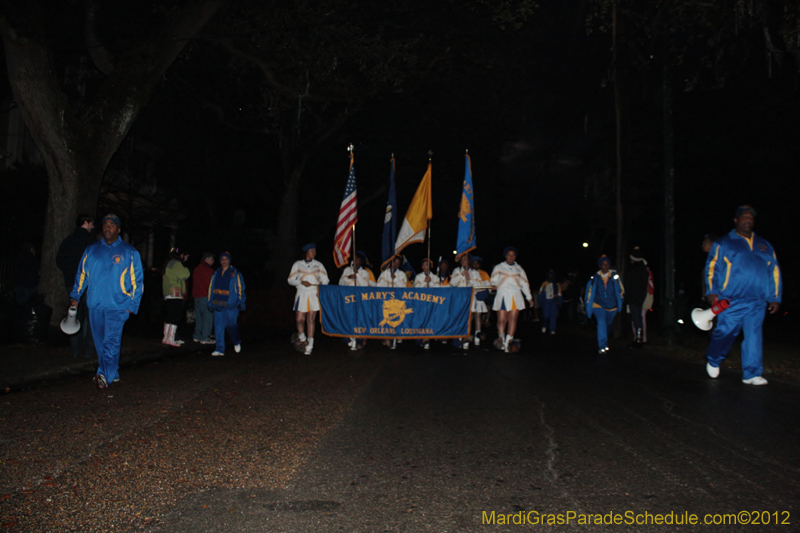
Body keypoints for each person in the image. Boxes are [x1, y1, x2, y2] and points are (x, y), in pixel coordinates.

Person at [704, 205, 781, 385]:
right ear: (736, 220)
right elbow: (712, 268)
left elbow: (774, 272)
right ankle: (714, 359)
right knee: (726, 331)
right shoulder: (724, 243)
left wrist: (775, 297)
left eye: (751, 218)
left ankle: (751, 373)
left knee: (754, 335)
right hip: (731, 299)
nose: (748, 220)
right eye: (744, 217)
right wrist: (712, 292)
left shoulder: (765, 245)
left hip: (757, 300)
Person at [70, 214, 143, 389]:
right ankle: (113, 371)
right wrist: (75, 297)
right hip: (95, 305)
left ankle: (104, 376)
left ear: (118, 229)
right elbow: (82, 275)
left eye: (112, 225)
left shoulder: (129, 252)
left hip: (118, 306)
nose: (107, 227)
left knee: (111, 342)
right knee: (101, 343)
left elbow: (137, 282)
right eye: (105, 225)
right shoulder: (92, 250)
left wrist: (132, 306)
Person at [56, 214, 96, 358]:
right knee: (90, 318)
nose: (93, 226)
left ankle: (75, 350)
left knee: (74, 316)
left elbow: (59, 260)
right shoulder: (92, 243)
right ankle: (88, 350)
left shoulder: (68, 241)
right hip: (89, 286)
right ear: (86, 222)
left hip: (71, 284)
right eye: (91, 223)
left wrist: (69, 273)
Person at [288, 244, 329, 355]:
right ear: (306, 252)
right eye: (312, 251)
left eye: (315, 251)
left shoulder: (318, 265)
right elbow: (290, 280)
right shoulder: (298, 264)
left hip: (313, 294)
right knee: (299, 319)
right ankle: (302, 337)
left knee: (311, 319)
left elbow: (326, 279)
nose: (314, 253)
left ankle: (310, 344)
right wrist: (301, 282)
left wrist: (319, 288)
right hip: (302, 293)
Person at [490, 247, 533, 353]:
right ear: (505, 256)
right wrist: (493, 285)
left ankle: (509, 342)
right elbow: (493, 280)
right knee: (502, 320)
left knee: (513, 320)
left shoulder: (519, 269)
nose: (511, 256)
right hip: (503, 295)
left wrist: (529, 298)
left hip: (515, 295)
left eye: (513, 255)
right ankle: (501, 339)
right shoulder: (499, 267)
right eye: (509, 254)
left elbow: (524, 284)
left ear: (515, 256)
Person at [208, 251, 247, 356]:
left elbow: (240, 288)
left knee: (231, 325)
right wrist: (210, 301)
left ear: (229, 260)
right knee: (218, 327)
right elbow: (211, 288)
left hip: (231, 304)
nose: (224, 261)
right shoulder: (216, 273)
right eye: (222, 259)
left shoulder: (235, 273)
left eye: (226, 259)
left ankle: (236, 341)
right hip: (218, 304)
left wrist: (241, 301)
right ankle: (219, 349)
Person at [584, 255, 624, 354]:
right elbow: (589, 291)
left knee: (607, 324)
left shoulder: (614, 277)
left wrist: (620, 301)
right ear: (600, 266)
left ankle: (605, 339)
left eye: (606, 264)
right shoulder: (595, 278)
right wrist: (588, 305)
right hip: (598, 304)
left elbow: (621, 290)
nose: (605, 266)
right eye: (603, 264)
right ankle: (602, 346)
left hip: (611, 306)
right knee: (601, 322)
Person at [338, 251, 375, 350]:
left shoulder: (365, 272)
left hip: (360, 298)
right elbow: (340, 283)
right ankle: (350, 337)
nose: (356, 261)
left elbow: (365, 286)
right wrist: (347, 278)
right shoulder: (347, 270)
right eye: (355, 259)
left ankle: (357, 338)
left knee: (358, 318)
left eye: (358, 259)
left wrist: (357, 275)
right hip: (348, 297)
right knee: (349, 317)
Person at [162, 248, 190, 347]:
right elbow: (185, 274)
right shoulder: (176, 263)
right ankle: (171, 338)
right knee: (176, 315)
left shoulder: (168, 263)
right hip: (175, 292)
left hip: (168, 292)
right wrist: (185, 266)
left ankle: (166, 337)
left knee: (169, 315)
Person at [625, 246, 650, 346]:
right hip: (640, 296)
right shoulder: (644, 269)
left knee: (636, 317)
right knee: (638, 316)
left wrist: (627, 295)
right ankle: (639, 337)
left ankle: (638, 339)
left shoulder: (633, 270)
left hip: (633, 296)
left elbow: (628, 283)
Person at [413, 258, 440, 350]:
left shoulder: (435, 277)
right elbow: (416, 289)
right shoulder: (418, 276)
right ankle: (420, 337)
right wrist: (424, 282)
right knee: (421, 320)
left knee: (429, 319)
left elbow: (438, 289)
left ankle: (427, 338)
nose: (425, 266)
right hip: (421, 302)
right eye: (424, 265)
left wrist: (430, 283)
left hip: (431, 302)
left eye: (427, 264)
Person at [192, 252, 216, 344]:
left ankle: (197, 335)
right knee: (208, 317)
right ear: (207, 259)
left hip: (196, 296)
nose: (213, 261)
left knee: (199, 318)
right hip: (205, 295)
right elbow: (211, 285)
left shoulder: (196, 269)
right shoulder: (208, 270)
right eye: (212, 259)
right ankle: (205, 337)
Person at [470, 256, 492, 344]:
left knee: (478, 317)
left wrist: (483, 294)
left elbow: (488, 287)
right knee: (470, 317)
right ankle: (466, 336)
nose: (475, 264)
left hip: (479, 298)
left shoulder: (484, 273)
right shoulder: (468, 272)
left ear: (479, 264)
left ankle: (477, 338)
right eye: (474, 263)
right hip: (470, 298)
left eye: (477, 263)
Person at [537, 270, 562, 335]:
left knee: (553, 316)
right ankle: (544, 326)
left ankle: (552, 329)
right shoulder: (544, 283)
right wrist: (540, 302)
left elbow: (559, 294)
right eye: (549, 274)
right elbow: (540, 293)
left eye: (552, 275)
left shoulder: (556, 285)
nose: (551, 276)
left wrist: (559, 302)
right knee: (545, 315)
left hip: (554, 301)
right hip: (546, 301)